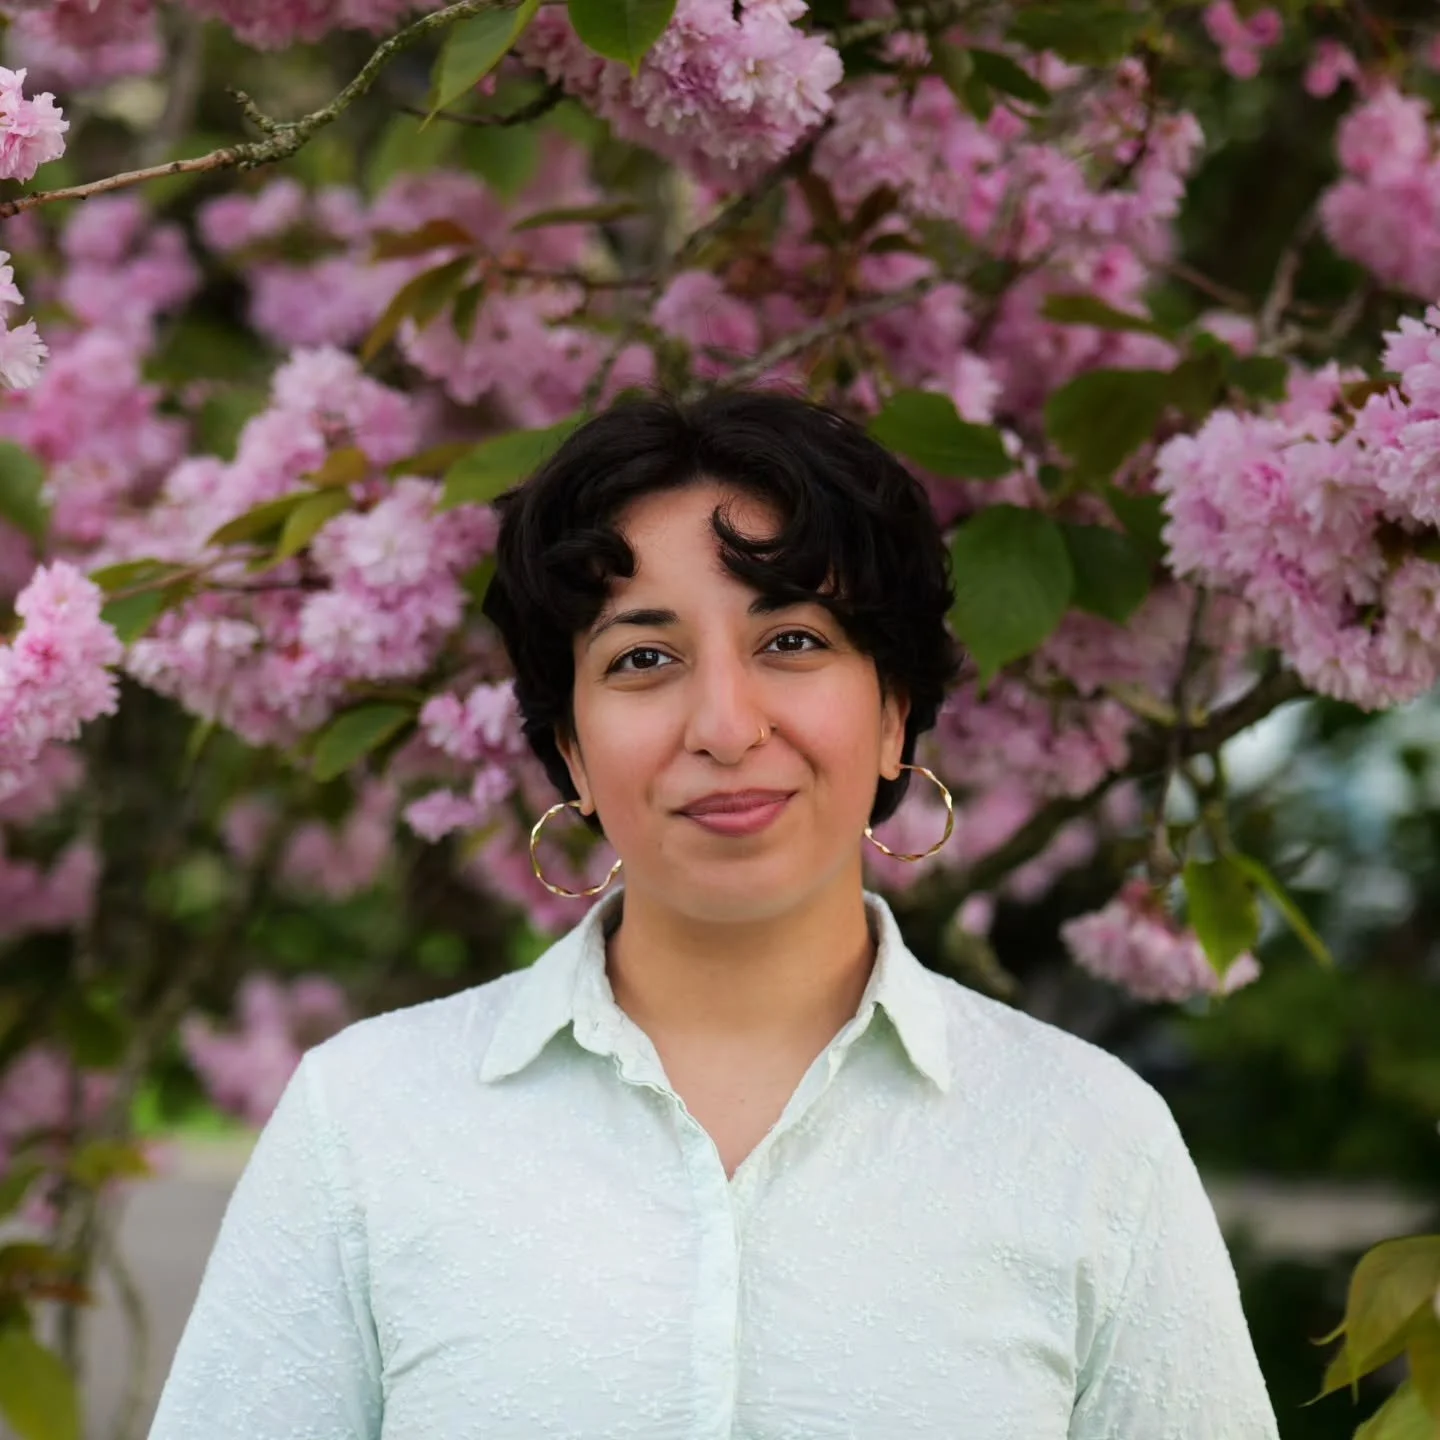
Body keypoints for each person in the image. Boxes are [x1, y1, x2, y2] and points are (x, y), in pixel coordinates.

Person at [147, 388, 1280, 1439]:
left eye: (793, 641)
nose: (727, 727)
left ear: (894, 712)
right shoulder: (366, 1122)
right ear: (570, 750)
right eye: (644, 657)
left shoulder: (1088, 1140)